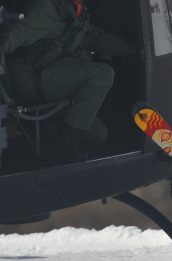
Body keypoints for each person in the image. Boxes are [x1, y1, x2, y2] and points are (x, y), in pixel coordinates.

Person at [0, 0, 136, 161]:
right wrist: (6, 109)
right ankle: (67, 144)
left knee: (99, 134)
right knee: (103, 74)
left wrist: (133, 50)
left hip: (52, 73)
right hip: (30, 78)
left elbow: (92, 36)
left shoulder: (73, 8)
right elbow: (17, 33)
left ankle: (54, 131)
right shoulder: (45, 7)